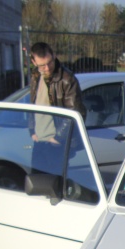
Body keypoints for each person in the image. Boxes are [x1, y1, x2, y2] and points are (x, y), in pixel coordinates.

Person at [28, 42, 86, 174]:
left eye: (49, 62)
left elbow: (76, 112)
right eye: (42, 65)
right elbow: (32, 105)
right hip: (40, 141)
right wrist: (32, 131)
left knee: (55, 187)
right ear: (34, 62)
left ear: (54, 55)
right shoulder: (36, 77)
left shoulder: (67, 79)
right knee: (37, 184)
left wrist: (58, 138)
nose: (47, 68)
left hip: (57, 143)